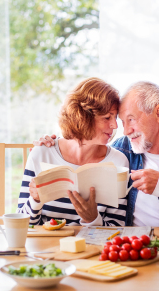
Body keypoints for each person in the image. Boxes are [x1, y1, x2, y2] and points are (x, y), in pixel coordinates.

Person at [35, 81, 159, 227]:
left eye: (131, 119)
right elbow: (85, 142)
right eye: (122, 122)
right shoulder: (121, 149)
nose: (125, 131)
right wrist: (50, 143)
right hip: (131, 248)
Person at [17, 77, 129, 227]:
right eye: (107, 117)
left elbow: (117, 229)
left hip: (92, 248)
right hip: (47, 248)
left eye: (115, 118)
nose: (115, 125)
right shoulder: (42, 153)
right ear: (83, 117)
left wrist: (93, 219)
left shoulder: (118, 162)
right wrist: (35, 200)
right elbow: (22, 225)